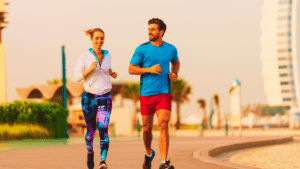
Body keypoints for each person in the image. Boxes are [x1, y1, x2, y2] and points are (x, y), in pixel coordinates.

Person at [129, 18, 180, 169]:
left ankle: (163, 162)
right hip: (146, 94)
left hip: (163, 92)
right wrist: (149, 69)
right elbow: (131, 69)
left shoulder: (171, 49)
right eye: (149, 29)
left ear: (161, 32)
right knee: (146, 128)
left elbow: (176, 62)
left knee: (163, 124)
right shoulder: (142, 49)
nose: (149, 32)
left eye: (153, 29)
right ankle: (148, 153)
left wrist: (174, 73)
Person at [75, 28, 117, 169]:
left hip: (105, 96)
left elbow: (107, 69)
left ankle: (103, 160)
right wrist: (89, 70)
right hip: (89, 98)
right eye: (97, 38)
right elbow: (77, 77)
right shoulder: (84, 57)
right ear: (91, 39)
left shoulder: (108, 55)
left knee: (103, 128)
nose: (99, 41)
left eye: (102, 38)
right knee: (91, 131)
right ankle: (90, 152)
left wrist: (112, 73)